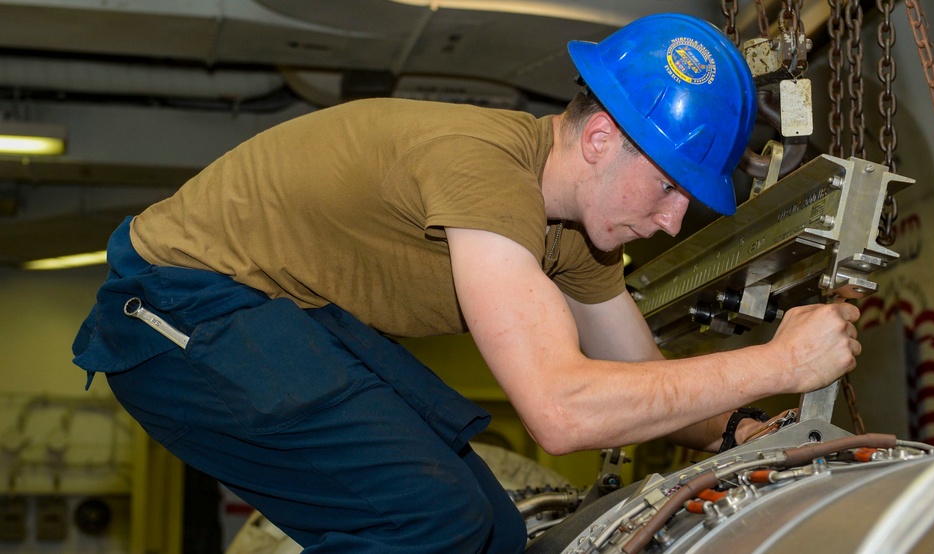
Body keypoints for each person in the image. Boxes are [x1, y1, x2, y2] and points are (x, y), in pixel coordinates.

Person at [72, 12, 861, 554]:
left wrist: (740, 431)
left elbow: (641, 378)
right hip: (177, 309)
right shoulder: (486, 173)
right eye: (668, 188)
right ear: (600, 139)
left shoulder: (575, 234)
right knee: (430, 522)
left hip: (281, 312)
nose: (670, 220)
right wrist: (780, 363)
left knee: (491, 530)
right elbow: (561, 411)